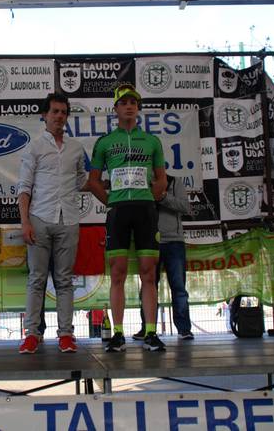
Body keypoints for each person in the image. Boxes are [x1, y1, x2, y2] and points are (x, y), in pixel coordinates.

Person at [87, 83, 167, 352]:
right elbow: (93, 181)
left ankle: (151, 332)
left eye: (133, 102)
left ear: (138, 108)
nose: (129, 106)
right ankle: (118, 333)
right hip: (119, 211)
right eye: (124, 103)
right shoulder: (105, 142)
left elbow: (162, 179)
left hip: (145, 210)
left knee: (149, 273)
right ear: (116, 109)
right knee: (118, 272)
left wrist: (149, 197)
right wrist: (111, 202)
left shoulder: (152, 141)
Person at [17, 92, 88, 354]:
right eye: (54, 111)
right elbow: (24, 187)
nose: (59, 116)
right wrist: (25, 222)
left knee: (64, 280)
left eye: (63, 112)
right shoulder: (34, 147)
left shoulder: (76, 148)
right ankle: (31, 334)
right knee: (36, 279)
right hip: (39, 218)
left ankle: (66, 334)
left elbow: (81, 180)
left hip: (68, 220)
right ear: (44, 115)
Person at [133, 175, 194, 341]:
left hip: (174, 241)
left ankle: (184, 328)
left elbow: (185, 207)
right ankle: (147, 328)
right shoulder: (142, 183)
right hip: (149, 241)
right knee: (148, 285)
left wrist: (164, 197)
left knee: (178, 286)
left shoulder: (175, 182)